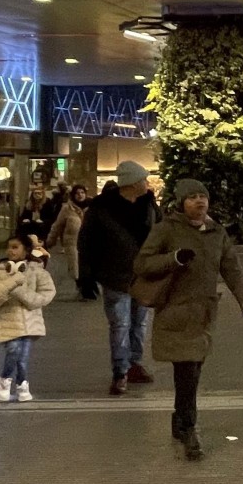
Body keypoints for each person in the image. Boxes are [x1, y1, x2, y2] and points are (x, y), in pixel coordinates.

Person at [134, 179, 243, 461]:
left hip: (204, 314)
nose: (199, 202)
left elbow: (232, 269)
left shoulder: (217, 232)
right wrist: (174, 258)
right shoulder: (167, 229)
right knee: (187, 371)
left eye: (203, 196)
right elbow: (142, 264)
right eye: (192, 197)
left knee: (192, 371)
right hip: (176, 312)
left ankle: (180, 419)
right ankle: (189, 429)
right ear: (180, 203)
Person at [78, 161, 161, 396]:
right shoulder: (102, 209)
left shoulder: (150, 207)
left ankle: (134, 363)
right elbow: (86, 243)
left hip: (144, 277)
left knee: (139, 324)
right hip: (115, 276)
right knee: (120, 324)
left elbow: (162, 235)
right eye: (144, 179)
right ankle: (120, 371)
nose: (147, 183)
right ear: (133, 182)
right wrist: (87, 275)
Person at [0, 234, 56, 403]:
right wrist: (11, 284)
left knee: (23, 357)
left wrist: (21, 293)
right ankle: (5, 380)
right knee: (13, 349)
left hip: (30, 322)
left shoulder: (37, 272)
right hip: (7, 320)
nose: (11, 251)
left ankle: (21, 384)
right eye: (9, 247)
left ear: (26, 250)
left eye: (15, 247)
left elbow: (46, 294)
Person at [46, 184, 90, 300]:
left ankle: (88, 289)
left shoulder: (91, 207)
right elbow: (57, 225)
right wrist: (51, 240)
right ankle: (80, 289)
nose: (80, 195)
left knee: (88, 266)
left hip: (89, 242)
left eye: (82, 193)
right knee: (76, 267)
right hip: (72, 243)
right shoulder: (67, 208)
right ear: (73, 195)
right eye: (77, 193)